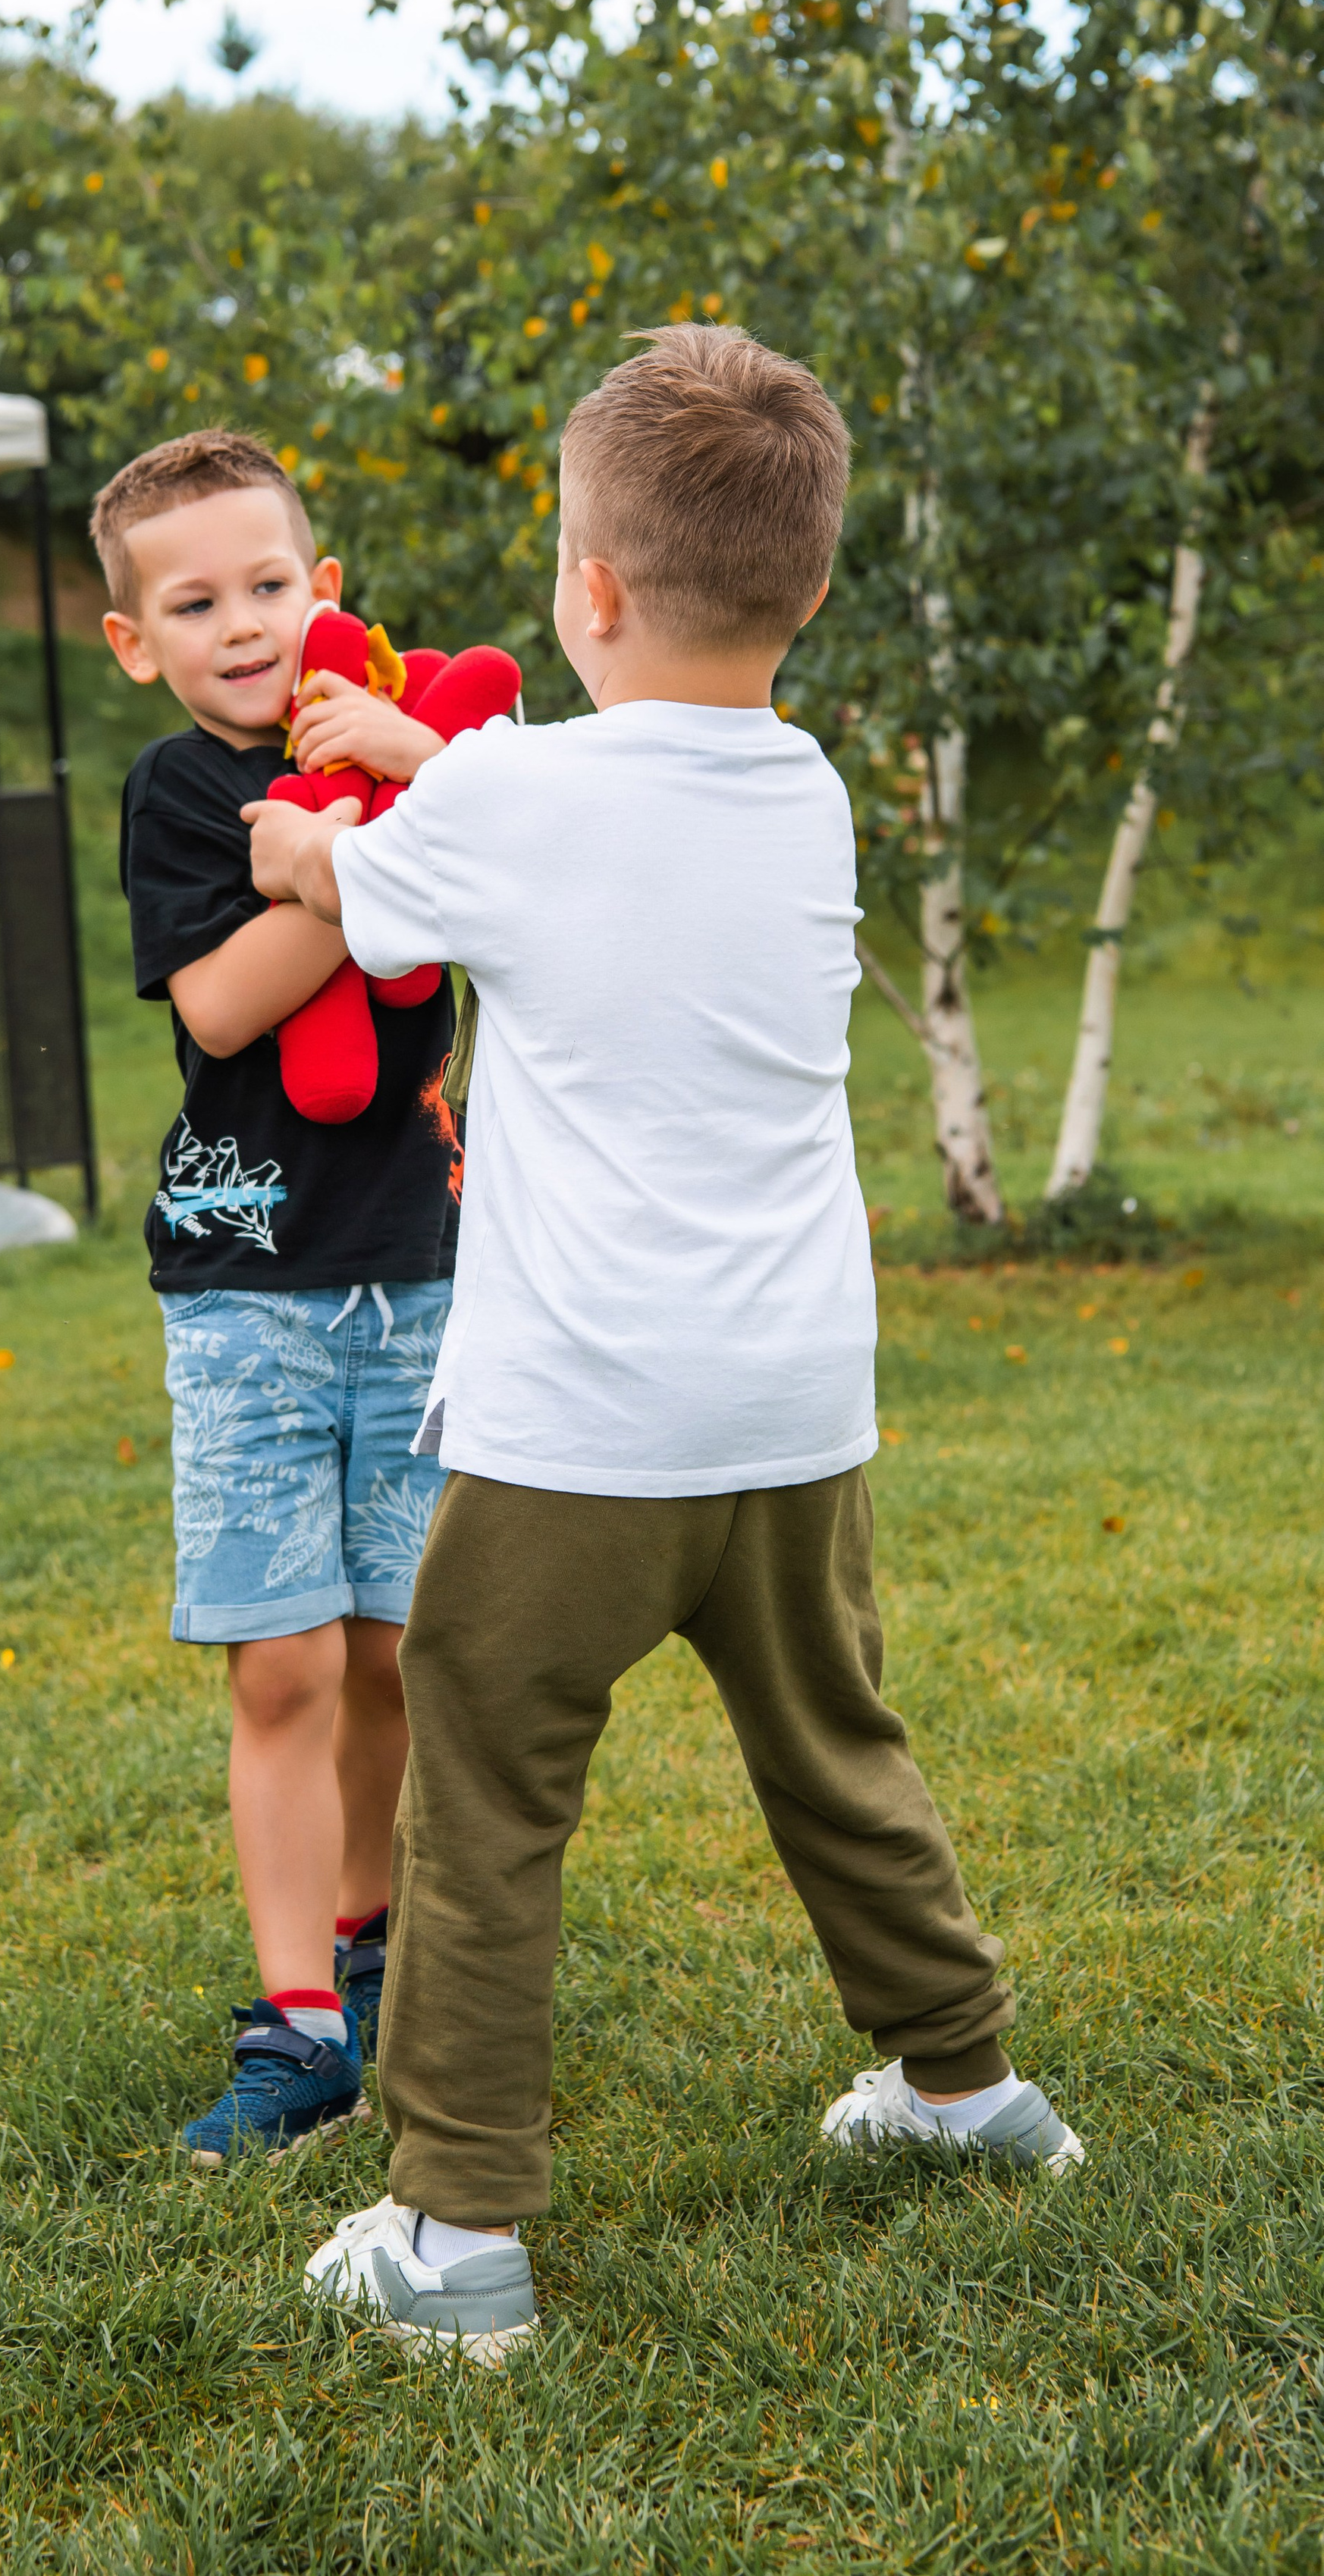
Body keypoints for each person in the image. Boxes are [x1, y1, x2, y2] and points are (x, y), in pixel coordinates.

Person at [243, 326, 1084, 2362]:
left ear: (589, 592)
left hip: (577, 1436)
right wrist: (442, 768)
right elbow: (556, 832)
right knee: (837, 1743)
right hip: (793, 1409)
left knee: (493, 1784)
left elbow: (343, 881)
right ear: (804, 590)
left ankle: (454, 2225)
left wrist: (303, 820)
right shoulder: (800, 794)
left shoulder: (515, 796)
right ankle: (971, 2088)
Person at [96, 427, 462, 2167]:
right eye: (193, 601)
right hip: (245, 1288)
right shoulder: (178, 793)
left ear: (320, 595)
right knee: (283, 1663)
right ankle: (294, 2021)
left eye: (265, 586)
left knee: (395, 1647)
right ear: (135, 638)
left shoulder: (425, 757)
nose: (238, 625)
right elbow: (231, 1008)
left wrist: (392, 799)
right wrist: (376, 847)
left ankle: (371, 1945)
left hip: (422, 1274)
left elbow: (523, 891)